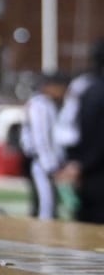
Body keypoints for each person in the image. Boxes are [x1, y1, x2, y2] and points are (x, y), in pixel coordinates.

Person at [59, 40, 104, 223]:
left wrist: (78, 162)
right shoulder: (94, 91)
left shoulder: (91, 89)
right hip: (96, 173)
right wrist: (81, 164)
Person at [19, 74, 67, 219]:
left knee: (49, 204)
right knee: (45, 205)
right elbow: (40, 137)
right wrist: (49, 165)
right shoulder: (39, 105)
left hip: (46, 161)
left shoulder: (48, 104)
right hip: (39, 161)